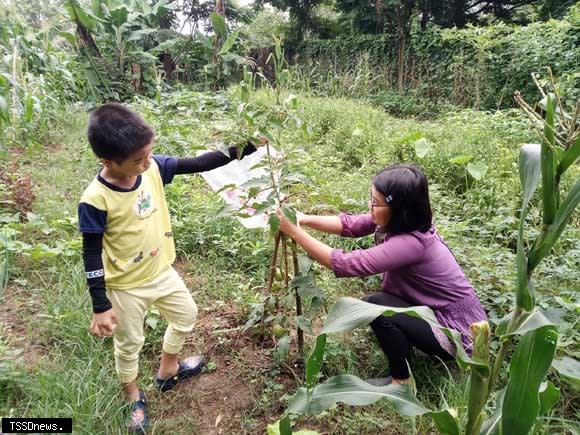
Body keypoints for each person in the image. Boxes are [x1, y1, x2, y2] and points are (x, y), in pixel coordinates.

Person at [78, 102, 260, 433]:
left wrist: (245, 147)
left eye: (149, 155)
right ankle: (133, 395)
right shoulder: (95, 199)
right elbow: (91, 253)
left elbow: (201, 162)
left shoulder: (151, 169)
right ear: (107, 161)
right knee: (129, 343)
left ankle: (167, 369)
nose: (147, 163)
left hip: (161, 271)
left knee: (186, 315)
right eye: (138, 160)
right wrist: (100, 305)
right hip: (124, 287)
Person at [276, 164, 487, 386]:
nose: (370, 207)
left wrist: (294, 232)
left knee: (376, 308)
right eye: (371, 199)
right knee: (381, 307)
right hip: (437, 312)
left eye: (375, 203)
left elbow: (347, 264)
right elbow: (351, 225)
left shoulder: (411, 244)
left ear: (399, 209)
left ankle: (402, 382)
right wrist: (304, 219)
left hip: (456, 332)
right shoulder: (400, 220)